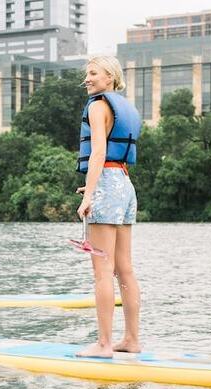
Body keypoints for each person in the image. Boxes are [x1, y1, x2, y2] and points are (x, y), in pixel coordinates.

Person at [75, 56, 143, 358]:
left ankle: (103, 344)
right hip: (124, 185)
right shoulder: (123, 106)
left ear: (110, 77)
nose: (87, 79)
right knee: (124, 269)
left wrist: (90, 194)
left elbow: (98, 151)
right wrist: (94, 188)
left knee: (102, 271)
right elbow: (112, 159)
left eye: (93, 73)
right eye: (86, 74)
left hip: (107, 184)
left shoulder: (97, 106)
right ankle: (131, 339)